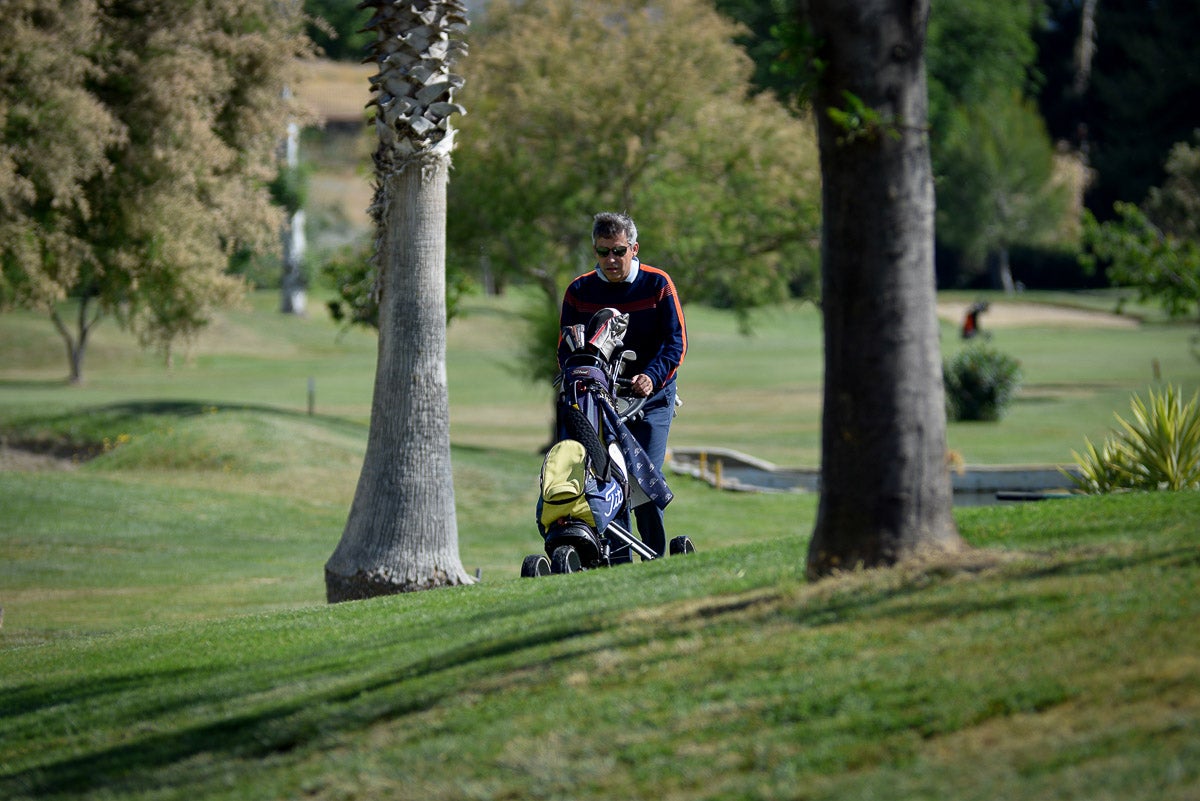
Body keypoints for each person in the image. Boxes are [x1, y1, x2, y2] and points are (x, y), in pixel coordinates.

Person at [558, 211, 687, 557]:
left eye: (618, 250)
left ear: (633, 248)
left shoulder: (658, 284)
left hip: (653, 396)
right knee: (608, 479)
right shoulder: (579, 291)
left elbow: (675, 344)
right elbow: (567, 350)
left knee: (642, 475)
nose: (611, 260)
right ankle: (620, 563)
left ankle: (655, 556)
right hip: (601, 399)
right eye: (603, 252)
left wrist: (651, 377)